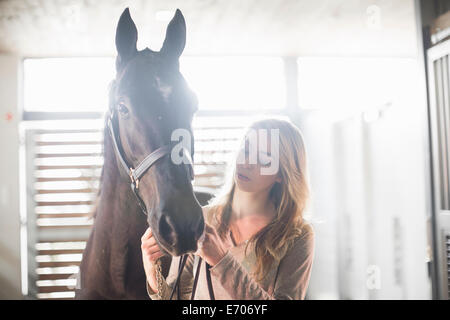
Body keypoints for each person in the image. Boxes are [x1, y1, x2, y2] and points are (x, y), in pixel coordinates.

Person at [141, 118, 315, 300]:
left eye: (263, 159)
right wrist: (152, 272)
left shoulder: (298, 235)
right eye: (246, 150)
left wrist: (221, 261)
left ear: (282, 173)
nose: (247, 163)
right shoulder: (202, 219)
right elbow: (177, 297)